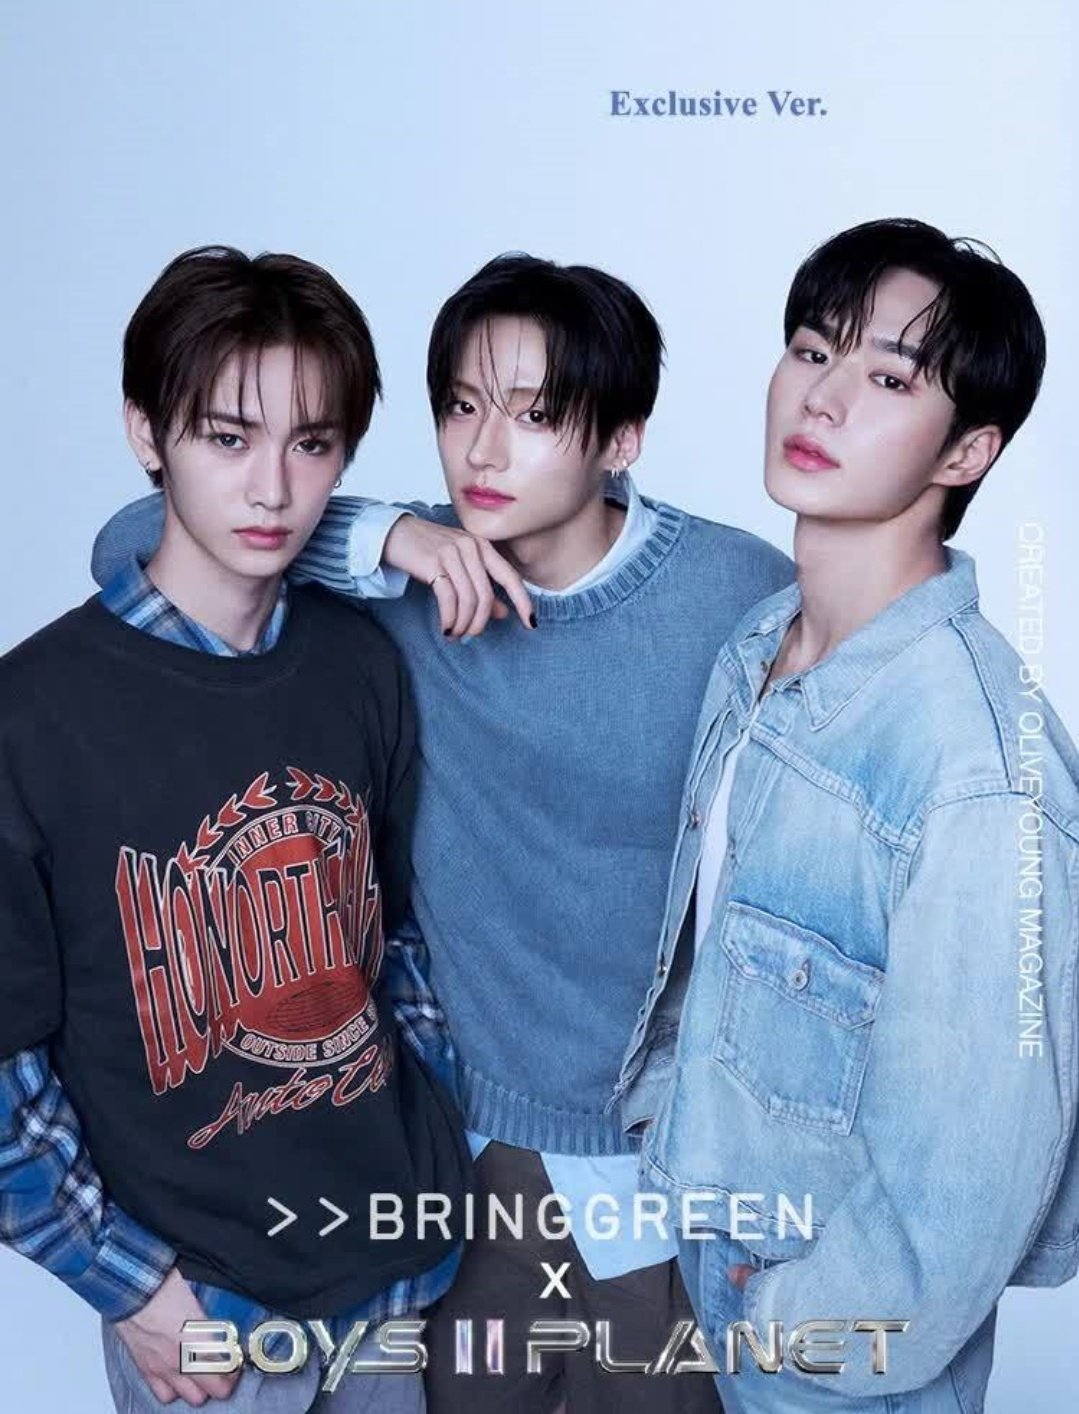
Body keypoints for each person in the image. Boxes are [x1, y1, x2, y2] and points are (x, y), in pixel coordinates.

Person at [92, 251, 794, 1412]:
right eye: (461, 407)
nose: (482, 450)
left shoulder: (736, 594)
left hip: (663, 1171)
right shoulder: (406, 584)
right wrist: (384, 539)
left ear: (621, 439)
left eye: (533, 415)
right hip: (460, 1164)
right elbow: (141, 537)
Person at [615, 218, 1079, 1412]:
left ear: (966, 449)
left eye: (887, 378)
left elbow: (965, 1180)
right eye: (812, 350)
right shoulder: (756, 646)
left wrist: (785, 1324)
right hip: (712, 1263)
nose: (820, 397)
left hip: (837, 1354)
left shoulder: (977, 767)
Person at [0, 245, 470, 1412]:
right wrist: (129, 1284)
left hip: (391, 1269)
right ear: (144, 431)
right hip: (207, 1308)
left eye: (311, 444)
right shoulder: (31, 712)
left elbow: (394, 934)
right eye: (227, 437)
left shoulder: (359, 662)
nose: (272, 489)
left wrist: (432, 1122)